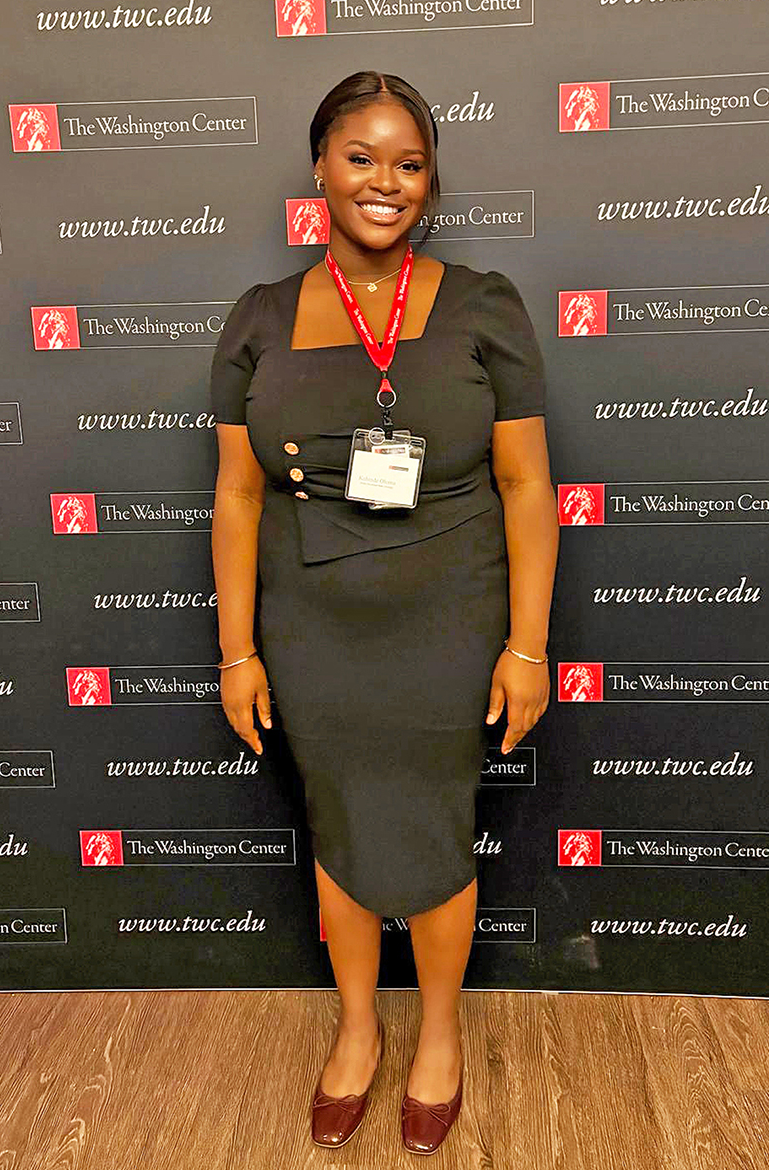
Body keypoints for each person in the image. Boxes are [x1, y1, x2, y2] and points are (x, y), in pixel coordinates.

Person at [209, 70, 559, 1156]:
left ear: (431, 182)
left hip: (447, 619)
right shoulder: (258, 319)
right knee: (342, 823)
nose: (386, 182)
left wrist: (528, 648)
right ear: (319, 166)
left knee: (438, 826)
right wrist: (236, 654)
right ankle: (358, 1030)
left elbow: (527, 489)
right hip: (312, 624)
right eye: (362, 157)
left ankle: (440, 1033)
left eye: (409, 163)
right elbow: (235, 493)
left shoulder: (483, 304)